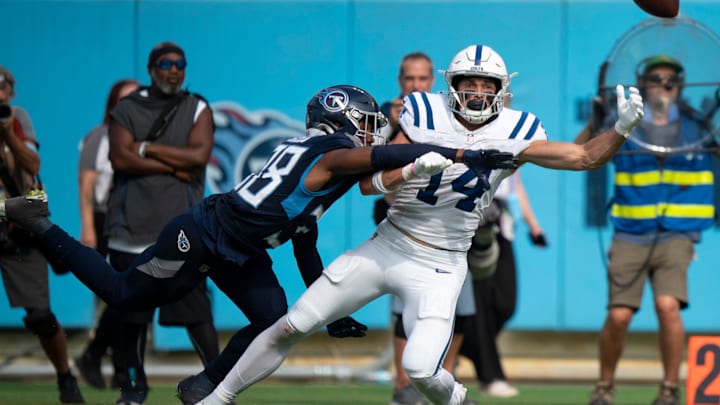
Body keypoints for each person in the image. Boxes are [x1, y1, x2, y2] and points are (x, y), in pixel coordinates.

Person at [0, 84, 512, 403]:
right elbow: (381, 161)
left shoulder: (319, 160)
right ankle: (41, 224)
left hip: (242, 248)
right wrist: (460, 150)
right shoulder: (333, 153)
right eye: (369, 123)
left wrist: (332, 312)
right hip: (202, 234)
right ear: (345, 119)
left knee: (271, 320)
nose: (375, 134)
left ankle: (206, 386)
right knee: (124, 293)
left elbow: (305, 242)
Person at [194, 43, 645, 405]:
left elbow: (583, 156)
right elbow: (372, 186)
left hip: (443, 263)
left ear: (500, 89)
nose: (475, 92)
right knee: (292, 324)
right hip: (388, 243)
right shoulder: (421, 113)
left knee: (421, 368)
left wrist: (621, 129)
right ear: (451, 85)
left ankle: (458, 401)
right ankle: (218, 398)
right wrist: (412, 170)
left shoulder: (518, 127)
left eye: (484, 84)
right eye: (467, 82)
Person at [578, 55, 718, 405]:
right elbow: (582, 153)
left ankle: (670, 389)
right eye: (656, 78)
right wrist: (597, 117)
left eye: (671, 78)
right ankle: (605, 386)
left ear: (681, 85)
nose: (664, 84)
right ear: (643, 85)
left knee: (668, 306)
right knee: (619, 315)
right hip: (630, 231)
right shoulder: (622, 121)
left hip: (678, 232)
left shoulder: (699, 125)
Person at [103, 41, 220, 404]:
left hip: (182, 233)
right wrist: (173, 165)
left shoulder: (197, 107)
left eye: (180, 64)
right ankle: (133, 388)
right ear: (152, 69)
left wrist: (146, 148)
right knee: (131, 319)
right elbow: (121, 160)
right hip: (130, 232)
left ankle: (217, 385)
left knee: (196, 314)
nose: (174, 70)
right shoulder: (127, 108)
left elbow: (199, 155)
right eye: (166, 64)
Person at [374, 51, 475, 405]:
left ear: (432, 81)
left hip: (447, 216)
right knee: (406, 302)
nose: (415, 85)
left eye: (421, 79)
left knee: (459, 304)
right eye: (409, 79)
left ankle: (444, 378)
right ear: (400, 81)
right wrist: (396, 127)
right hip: (402, 215)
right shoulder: (384, 116)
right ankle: (403, 384)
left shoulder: (445, 111)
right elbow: (369, 169)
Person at [0, 66, 84, 403]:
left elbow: (32, 165)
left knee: (40, 315)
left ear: (11, 92)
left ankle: (65, 375)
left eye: (2, 87)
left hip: (17, 228)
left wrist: (7, 135)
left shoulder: (17, 119)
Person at [74, 78, 140, 390]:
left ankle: (113, 363)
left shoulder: (150, 136)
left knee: (136, 296)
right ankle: (100, 356)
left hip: (141, 222)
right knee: (123, 295)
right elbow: (87, 184)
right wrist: (87, 226)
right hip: (107, 222)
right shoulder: (100, 136)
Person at [459, 170, 547, 398]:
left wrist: (534, 225)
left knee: (505, 303)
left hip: (503, 227)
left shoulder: (513, 145)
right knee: (480, 307)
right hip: (476, 226)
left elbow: (516, 188)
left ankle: (463, 344)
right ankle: (491, 377)